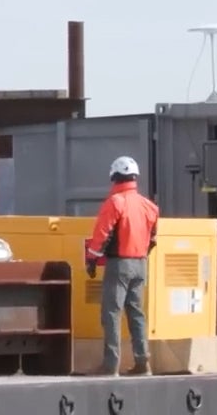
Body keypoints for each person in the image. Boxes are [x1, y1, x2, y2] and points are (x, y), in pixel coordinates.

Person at [86, 155, 159, 376]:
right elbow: (153, 238)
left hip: (119, 264)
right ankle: (142, 362)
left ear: (115, 177)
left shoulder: (115, 202)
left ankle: (110, 366)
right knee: (136, 313)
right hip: (140, 264)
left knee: (111, 313)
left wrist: (92, 258)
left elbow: (102, 234)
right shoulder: (149, 206)